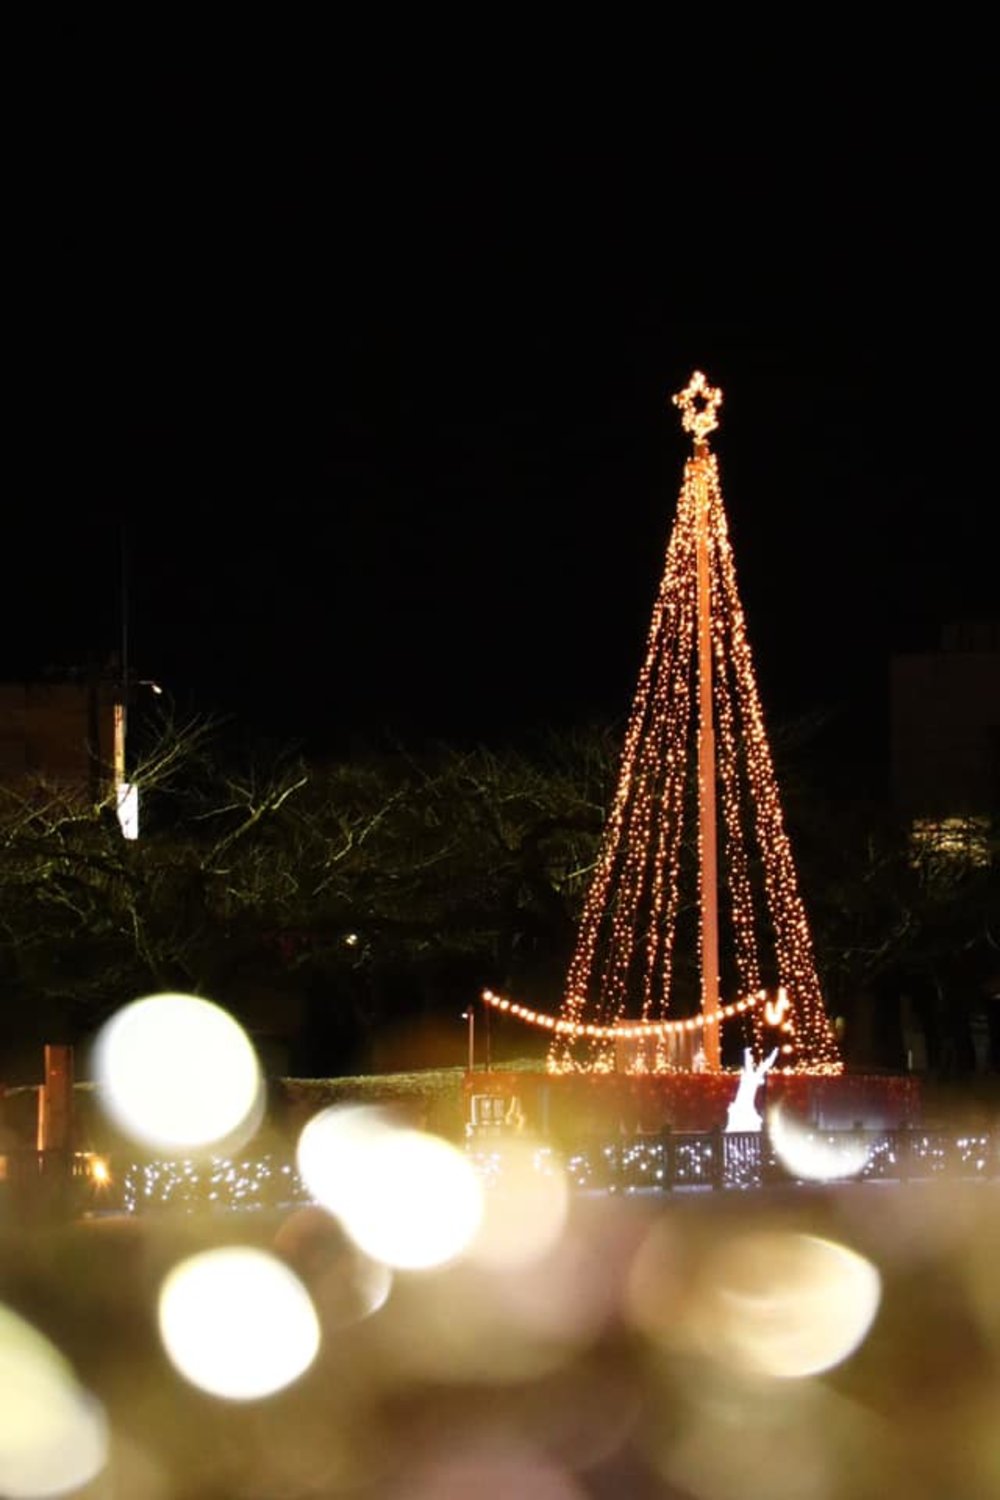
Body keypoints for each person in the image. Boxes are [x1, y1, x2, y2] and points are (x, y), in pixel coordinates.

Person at [725, 1046, 779, 1132]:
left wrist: (774, 1053)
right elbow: (752, 1064)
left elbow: (765, 1064)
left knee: (746, 1116)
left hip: (746, 1099)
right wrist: (746, 1053)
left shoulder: (754, 1075)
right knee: (742, 1115)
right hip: (743, 1098)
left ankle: (745, 1133)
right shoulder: (751, 1075)